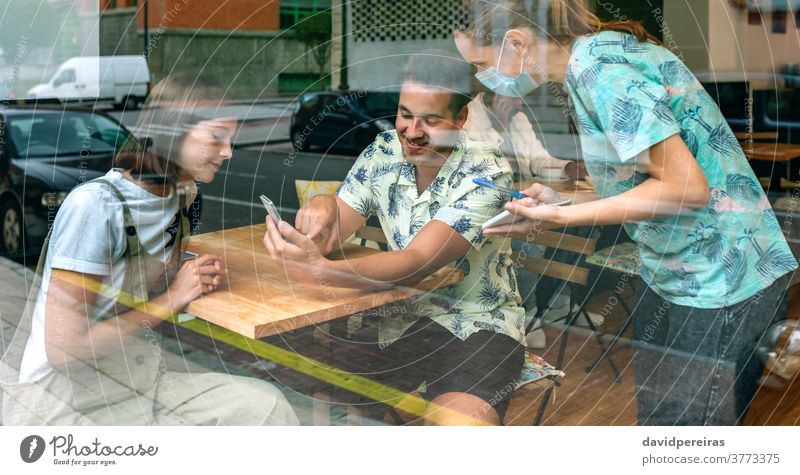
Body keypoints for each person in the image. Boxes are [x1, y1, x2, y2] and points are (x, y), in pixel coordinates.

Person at [455, 0, 796, 425]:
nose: (486, 78)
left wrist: (561, 220)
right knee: (661, 424)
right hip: (678, 270)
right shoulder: (592, 62)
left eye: (484, 63)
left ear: (517, 42)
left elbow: (685, 188)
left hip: (723, 276)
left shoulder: (602, 72)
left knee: (688, 439)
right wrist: (561, 202)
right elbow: (644, 189)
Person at [0, 73, 298, 425]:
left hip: (136, 378)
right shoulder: (95, 207)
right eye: (217, 138)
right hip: (67, 401)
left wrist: (191, 270)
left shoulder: (182, 196)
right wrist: (174, 297)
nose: (228, 152)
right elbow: (63, 349)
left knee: (267, 408)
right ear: (172, 132)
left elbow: (149, 274)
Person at [263, 52, 526, 425]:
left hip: (478, 324)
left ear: (460, 119)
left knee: (461, 430)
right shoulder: (383, 150)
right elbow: (336, 224)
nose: (413, 131)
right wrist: (323, 207)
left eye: (431, 119)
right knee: (327, 402)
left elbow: (417, 262)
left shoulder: (488, 170)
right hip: (401, 319)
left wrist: (318, 270)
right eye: (405, 114)